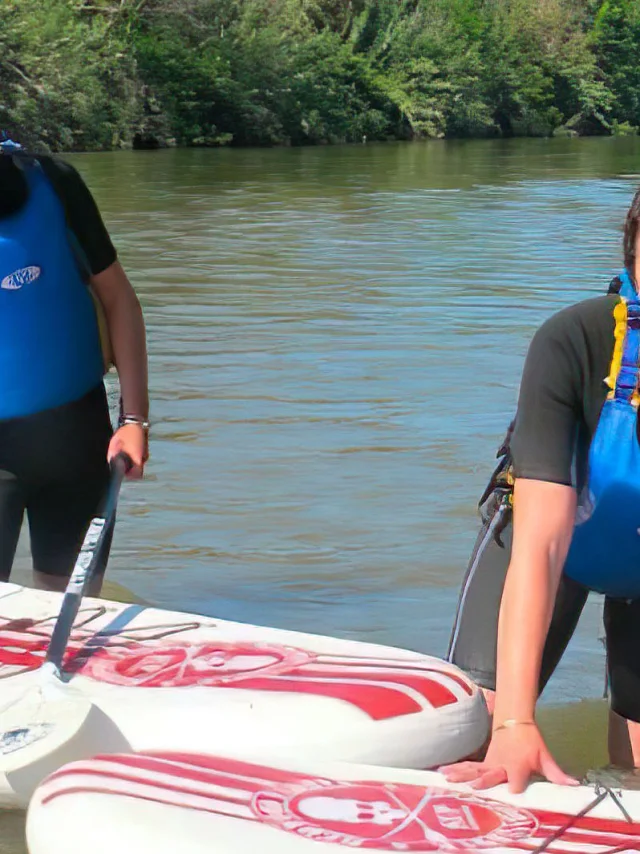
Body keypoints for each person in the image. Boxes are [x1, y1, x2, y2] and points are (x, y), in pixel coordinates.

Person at [443, 188, 640, 794]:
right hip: (548, 540)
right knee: (470, 730)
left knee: (634, 771)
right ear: (632, 254)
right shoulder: (572, 343)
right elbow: (541, 548)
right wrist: (516, 721)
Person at [0, 138, 149, 594]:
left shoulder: (54, 182)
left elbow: (118, 298)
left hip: (76, 441)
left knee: (75, 612)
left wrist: (134, 419)